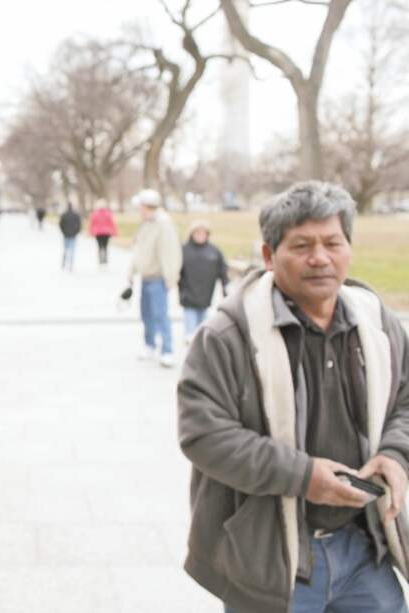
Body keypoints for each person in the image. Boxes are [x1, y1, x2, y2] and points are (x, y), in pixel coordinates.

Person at [178, 181, 409, 613]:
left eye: (332, 243)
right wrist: (303, 476)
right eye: (301, 245)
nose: (319, 257)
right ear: (268, 256)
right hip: (272, 556)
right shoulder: (229, 335)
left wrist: (396, 452)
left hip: (367, 549)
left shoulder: (376, 322)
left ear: (349, 249)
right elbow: (203, 436)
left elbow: (406, 399)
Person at [127, 189, 182, 367]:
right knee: (146, 314)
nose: (139, 210)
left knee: (160, 315)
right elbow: (139, 250)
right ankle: (149, 345)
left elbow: (169, 252)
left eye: (140, 206)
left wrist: (170, 277)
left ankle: (167, 350)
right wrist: (131, 272)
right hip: (146, 277)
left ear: (146, 206)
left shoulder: (163, 224)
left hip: (158, 278)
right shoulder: (146, 223)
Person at [178, 220, 229, 343]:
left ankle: (200, 341)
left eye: (203, 233)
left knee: (202, 323)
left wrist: (225, 287)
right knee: (190, 325)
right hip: (188, 294)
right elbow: (176, 270)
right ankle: (190, 339)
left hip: (206, 295)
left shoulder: (214, 251)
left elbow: (222, 270)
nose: (200, 236)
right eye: (197, 233)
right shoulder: (184, 250)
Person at [58, 204, 81, 271]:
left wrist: (63, 232)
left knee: (66, 249)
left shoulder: (64, 215)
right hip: (73, 235)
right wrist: (76, 232)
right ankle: (70, 263)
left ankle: (64, 262)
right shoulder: (76, 215)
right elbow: (79, 225)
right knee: (72, 250)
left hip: (66, 235)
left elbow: (60, 224)